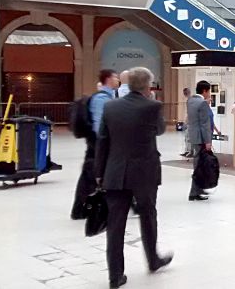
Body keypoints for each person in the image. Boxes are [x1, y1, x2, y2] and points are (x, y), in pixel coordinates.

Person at [95, 67, 172, 288]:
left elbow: (102, 141)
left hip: (116, 172)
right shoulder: (153, 106)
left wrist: (99, 173)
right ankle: (153, 259)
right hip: (144, 173)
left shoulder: (111, 107)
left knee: (116, 224)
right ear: (148, 86)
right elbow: (159, 130)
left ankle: (115, 275)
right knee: (148, 215)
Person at [70, 69, 119, 220]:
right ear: (109, 79)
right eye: (116, 77)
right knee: (90, 175)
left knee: (92, 174)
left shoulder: (107, 97)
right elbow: (99, 125)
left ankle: (83, 208)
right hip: (98, 144)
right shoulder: (101, 99)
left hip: (98, 143)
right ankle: (80, 209)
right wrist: (104, 143)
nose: (118, 80)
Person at [187, 80, 220, 201]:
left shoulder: (190, 101)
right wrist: (208, 141)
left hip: (193, 136)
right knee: (200, 166)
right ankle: (195, 192)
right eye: (209, 91)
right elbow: (205, 124)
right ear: (205, 91)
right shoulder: (202, 103)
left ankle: (198, 190)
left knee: (198, 164)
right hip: (201, 138)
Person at [180, 88, 193, 158]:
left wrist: (185, 122)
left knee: (188, 137)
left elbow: (189, 112)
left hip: (190, 122)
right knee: (187, 137)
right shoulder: (190, 100)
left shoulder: (189, 101)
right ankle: (187, 151)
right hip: (190, 121)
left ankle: (190, 151)